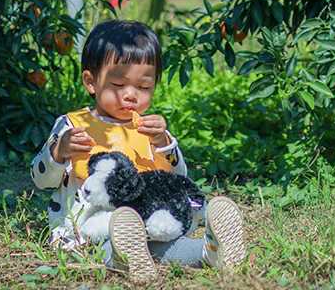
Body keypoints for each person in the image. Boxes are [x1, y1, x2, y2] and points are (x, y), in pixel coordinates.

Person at [30, 20, 247, 282]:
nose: (131, 95)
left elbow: (177, 179)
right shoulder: (72, 127)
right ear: (91, 82)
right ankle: (124, 259)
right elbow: (41, 180)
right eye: (119, 85)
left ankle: (210, 251)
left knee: (166, 247)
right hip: (86, 234)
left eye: (144, 87)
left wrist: (165, 143)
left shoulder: (149, 129)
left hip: (145, 226)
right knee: (109, 245)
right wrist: (59, 151)